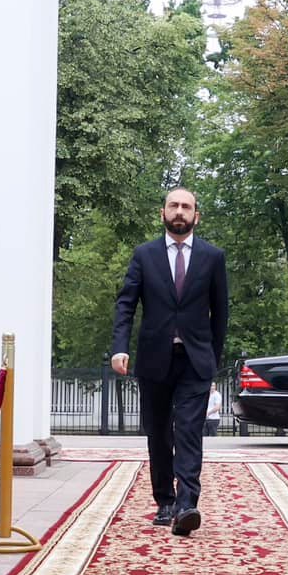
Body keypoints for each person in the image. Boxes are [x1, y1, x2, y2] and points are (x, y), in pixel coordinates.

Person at [112, 187, 229, 538]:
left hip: (195, 360)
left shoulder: (212, 257)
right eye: (174, 206)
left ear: (197, 215)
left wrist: (213, 362)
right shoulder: (144, 255)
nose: (180, 211)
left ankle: (186, 505)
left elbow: (220, 313)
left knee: (190, 431)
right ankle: (164, 501)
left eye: (187, 206)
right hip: (154, 359)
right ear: (162, 212)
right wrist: (120, 347)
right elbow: (126, 304)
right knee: (159, 433)